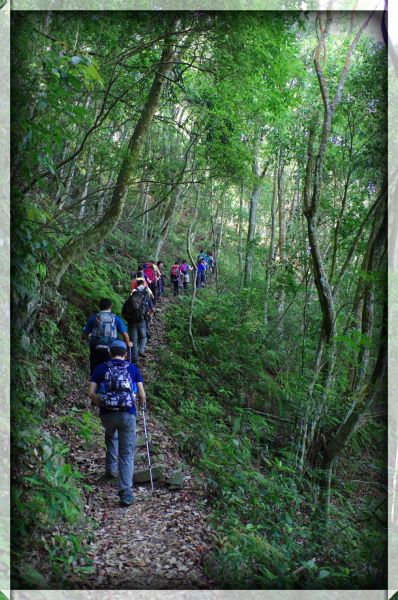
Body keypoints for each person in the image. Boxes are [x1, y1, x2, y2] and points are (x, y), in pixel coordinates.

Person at [88, 339, 146, 507]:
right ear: (126, 354)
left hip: (107, 415)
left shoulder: (101, 368)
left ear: (110, 353)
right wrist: (140, 405)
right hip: (128, 414)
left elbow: (91, 393)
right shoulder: (133, 369)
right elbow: (142, 394)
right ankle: (125, 491)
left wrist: (103, 404)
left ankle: (109, 469)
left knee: (111, 436)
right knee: (127, 453)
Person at [83, 298, 132, 374]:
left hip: (95, 347)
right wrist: (128, 343)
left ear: (99, 307)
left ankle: (95, 381)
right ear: (110, 307)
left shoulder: (93, 318)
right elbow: (125, 335)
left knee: (95, 370)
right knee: (109, 369)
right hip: (110, 348)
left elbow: (83, 335)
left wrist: (88, 336)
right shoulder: (116, 319)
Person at [122, 278, 151, 363]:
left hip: (131, 322)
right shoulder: (142, 300)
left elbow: (123, 313)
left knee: (133, 340)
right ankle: (141, 350)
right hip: (141, 321)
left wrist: (128, 319)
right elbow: (146, 311)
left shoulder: (128, 301)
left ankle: (135, 358)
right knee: (143, 337)